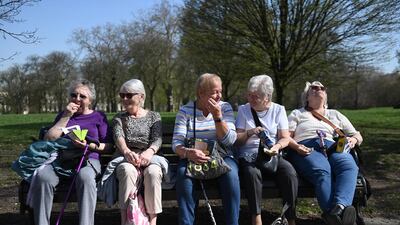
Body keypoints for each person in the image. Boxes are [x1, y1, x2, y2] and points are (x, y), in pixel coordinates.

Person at [29, 79, 113, 225]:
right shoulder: (64, 114)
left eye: (82, 96)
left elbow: (109, 147)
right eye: (74, 95)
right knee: (43, 177)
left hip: (88, 158)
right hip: (61, 158)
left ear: (90, 100)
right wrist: (66, 117)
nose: (77, 99)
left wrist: (89, 145)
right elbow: (48, 139)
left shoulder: (99, 117)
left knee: (85, 177)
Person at [287, 81, 363, 225]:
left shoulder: (334, 114)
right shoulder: (297, 113)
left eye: (322, 88)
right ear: (307, 96)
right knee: (322, 171)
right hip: (306, 147)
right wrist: (297, 147)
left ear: (325, 95)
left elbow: (357, 134)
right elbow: (287, 137)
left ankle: (339, 209)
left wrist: (353, 140)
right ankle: (334, 215)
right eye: (314, 88)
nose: (319, 89)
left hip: (333, 147)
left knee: (349, 167)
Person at [172, 73, 240, 225]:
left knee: (231, 175)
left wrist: (218, 117)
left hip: (222, 156)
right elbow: (176, 142)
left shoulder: (225, 108)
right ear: (201, 93)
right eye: (215, 92)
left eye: (220, 91)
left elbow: (230, 141)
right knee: (184, 175)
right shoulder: (185, 111)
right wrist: (188, 153)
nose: (219, 96)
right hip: (193, 156)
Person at [235, 75, 298, 225]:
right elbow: (237, 140)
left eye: (255, 96)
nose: (250, 98)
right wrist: (250, 132)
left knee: (289, 173)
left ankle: (290, 218)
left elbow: (285, 137)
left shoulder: (278, 110)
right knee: (252, 173)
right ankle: (256, 217)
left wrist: (276, 147)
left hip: (271, 154)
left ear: (267, 96)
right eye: (249, 94)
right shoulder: (244, 110)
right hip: (249, 154)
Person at [112, 79, 165, 225]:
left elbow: (157, 139)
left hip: (150, 156)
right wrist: (127, 152)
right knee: (127, 171)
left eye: (129, 95)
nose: (124, 99)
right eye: (122, 95)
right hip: (126, 156)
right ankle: (125, 221)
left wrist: (149, 152)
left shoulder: (154, 116)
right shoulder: (119, 117)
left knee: (153, 173)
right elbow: (118, 136)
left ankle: (153, 222)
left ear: (141, 96)